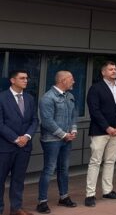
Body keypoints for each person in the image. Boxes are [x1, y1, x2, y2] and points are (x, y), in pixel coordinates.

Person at [85, 61, 116, 207]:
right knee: (95, 162)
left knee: (110, 161)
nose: (114, 71)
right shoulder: (95, 88)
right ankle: (90, 194)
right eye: (110, 69)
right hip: (100, 131)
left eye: (115, 69)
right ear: (103, 72)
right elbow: (94, 110)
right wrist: (107, 127)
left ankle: (107, 190)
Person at [36, 71, 79, 213]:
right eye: (71, 79)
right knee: (49, 169)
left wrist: (73, 130)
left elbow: (74, 115)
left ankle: (64, 197)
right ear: (62, 80)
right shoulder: (48, 98)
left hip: (66, 139)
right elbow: (47, 121)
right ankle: (42, 202)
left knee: (64, 169)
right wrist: (63, 134)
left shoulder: (70, 96)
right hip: (51, 140)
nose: (74, 82)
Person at [1, 70, 39, 215]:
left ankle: (16, 208)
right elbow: (0, 123)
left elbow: (35, 120)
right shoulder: (2, 98)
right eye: (22, 78)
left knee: (18, 179)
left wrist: (27, 136)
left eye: (27, 78)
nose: (26, 81)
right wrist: (16, 139)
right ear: (12, 80)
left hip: (24, 147)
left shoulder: (29, 98)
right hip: (5, 147)